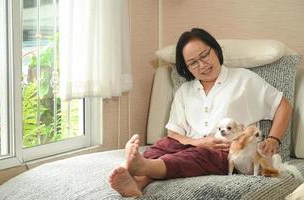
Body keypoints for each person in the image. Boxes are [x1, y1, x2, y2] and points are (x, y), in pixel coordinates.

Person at [108, 28, 292, 197]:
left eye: (204, 55)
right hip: (191, 143)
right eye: (193, 63)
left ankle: (140, 165)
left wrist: (273, 139)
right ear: (186, 68)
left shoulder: (244, 79)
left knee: (197, 156)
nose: (202, 65)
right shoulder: (184, 91)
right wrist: (198, 142)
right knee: (166, 144)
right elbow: (174, 133)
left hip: (225, 152)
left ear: (215, 50)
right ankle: (138, 181)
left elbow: (283, 105)